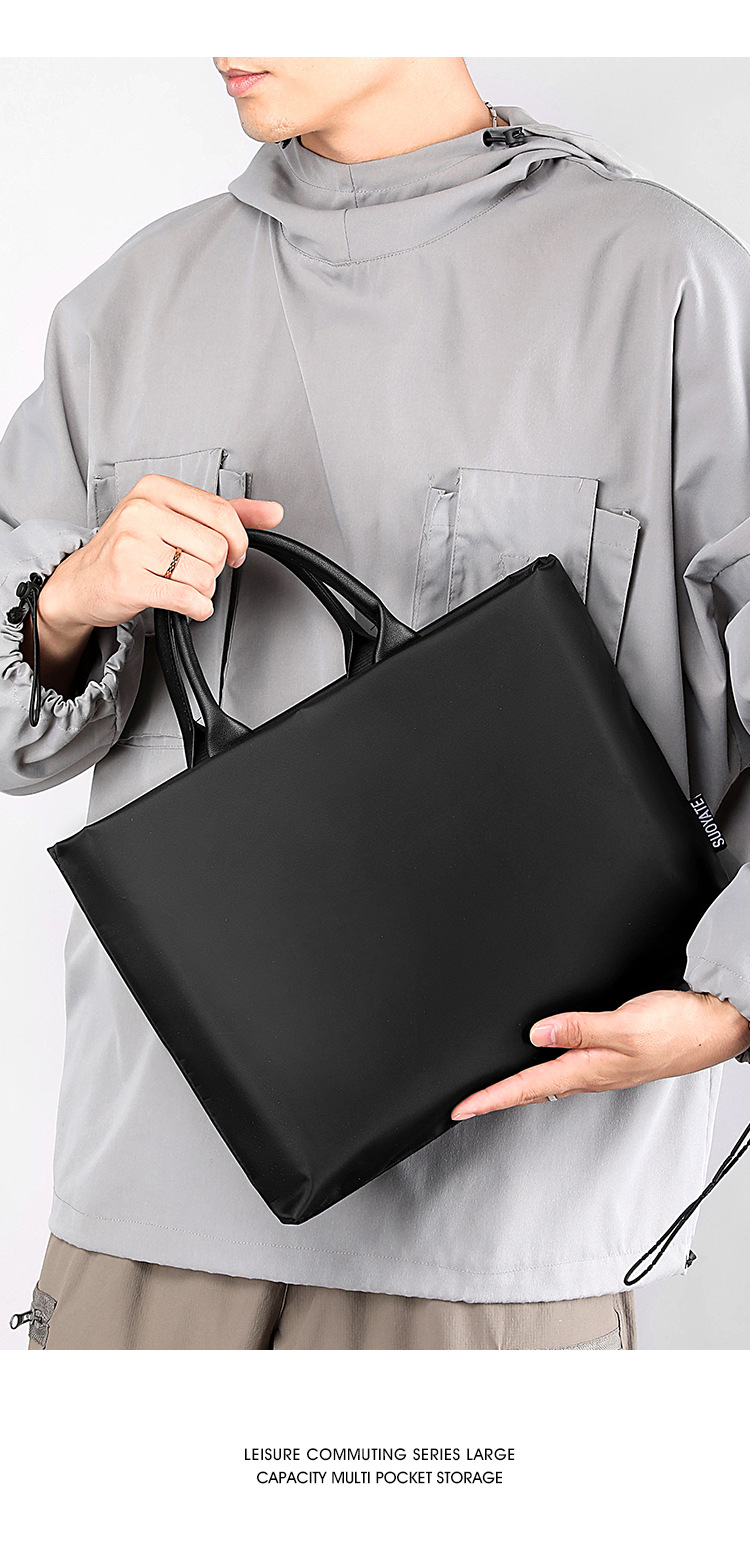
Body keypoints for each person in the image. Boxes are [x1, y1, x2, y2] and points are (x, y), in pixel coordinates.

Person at [3, 57, 750, 1352]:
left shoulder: (663, 282)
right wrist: (68, 605)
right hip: (141, 1213)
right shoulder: (129, 303)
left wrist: (730, 998)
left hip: (506, 1238)